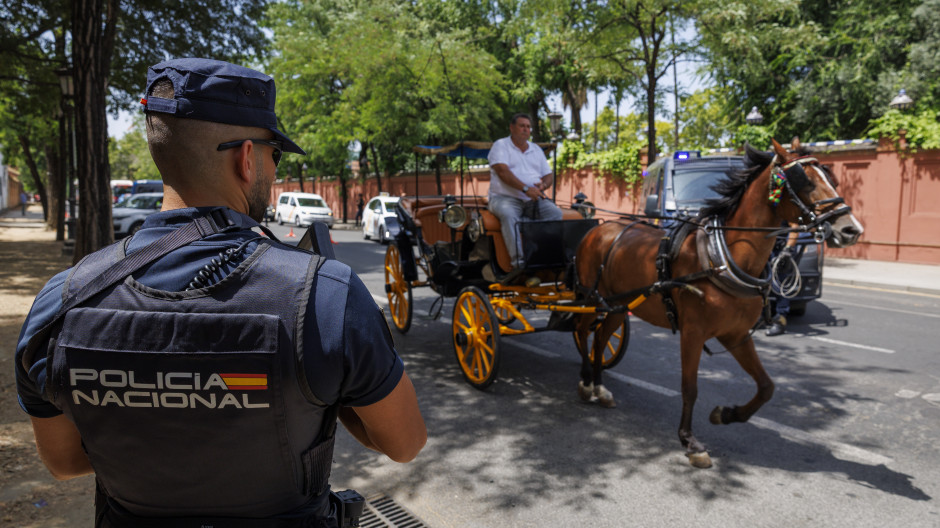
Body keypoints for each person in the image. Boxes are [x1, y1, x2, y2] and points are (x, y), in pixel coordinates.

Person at [14, 58, 426, 527]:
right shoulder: (325, 295)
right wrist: (332, 397)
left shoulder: (60, 302)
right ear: (246, 159)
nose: (273, 169)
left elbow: (65, 464)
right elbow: (405, 442)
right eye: (276, 154)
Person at [487, 113, 563, 270]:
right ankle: (519, 264)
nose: (525, 130)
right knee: (509, 216)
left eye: (528, 127)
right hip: (504, 198)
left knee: (555, 213)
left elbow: (548, 175)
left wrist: (543, 186)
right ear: (512, 127)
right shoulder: (500, 145)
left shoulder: (535, 149)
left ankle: (545, 259)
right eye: (522, 126)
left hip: (533, 199)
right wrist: (526, 189)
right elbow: (502, 172)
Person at [766, 229, 802, 336]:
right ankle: (760, 316)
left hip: (780, 250)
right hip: (766, 247)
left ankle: (780, 322)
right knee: (760, 283)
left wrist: (788, 249)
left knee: (779, 286)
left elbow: (795, 227)